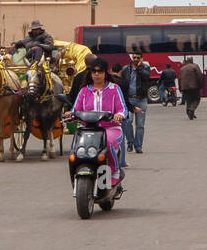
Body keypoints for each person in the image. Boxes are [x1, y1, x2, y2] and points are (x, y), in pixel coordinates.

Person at [64, 58, 127, 186]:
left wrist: (119, 115)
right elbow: (76, 109)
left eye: (100, 71)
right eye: (94, 71)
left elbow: (123, 108)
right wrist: (70, 114)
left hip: (111, 129)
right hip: (87, 130)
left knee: (107, 142)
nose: (96, 74)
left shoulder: (114, 89)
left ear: (105, 73)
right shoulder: (84, 91)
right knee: (75, 149)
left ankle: (115, 171)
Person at [122, 52, 150, 154]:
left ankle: (138, 146)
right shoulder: (126, 69)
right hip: (129, 99)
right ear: (132, 58)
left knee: (140, 125)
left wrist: (139, 67)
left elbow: (146, 77)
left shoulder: (145, 68)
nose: (136, 59)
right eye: (134, 57)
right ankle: (130, 143)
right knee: (128, 122)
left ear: (141, 59)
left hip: (141, 99)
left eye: (138, 57)